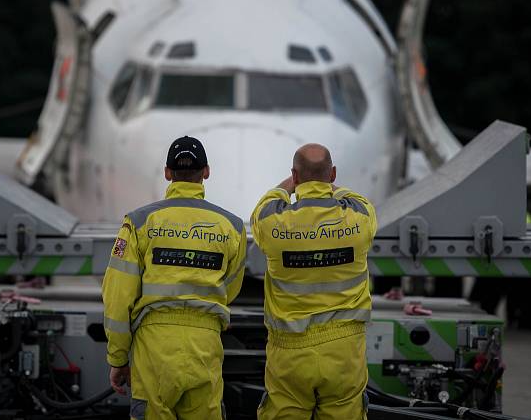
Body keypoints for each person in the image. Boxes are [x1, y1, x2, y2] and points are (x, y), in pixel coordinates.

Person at [102, 136, 246, 419]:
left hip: (154, 346)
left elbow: (117, 297)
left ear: (167, 173)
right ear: (206, 172)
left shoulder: (140, 222)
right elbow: (231, 287)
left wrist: (118, 358)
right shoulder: (232, 226)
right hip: (205, 345)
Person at [251, 143, 377, 420]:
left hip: (290, 353)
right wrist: (325, 183)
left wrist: (293, 184)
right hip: (344, 353)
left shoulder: (273, 222)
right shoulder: (359, 217)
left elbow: (264, 206)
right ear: (332, 175)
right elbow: (356, 199)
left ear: (295, 177)